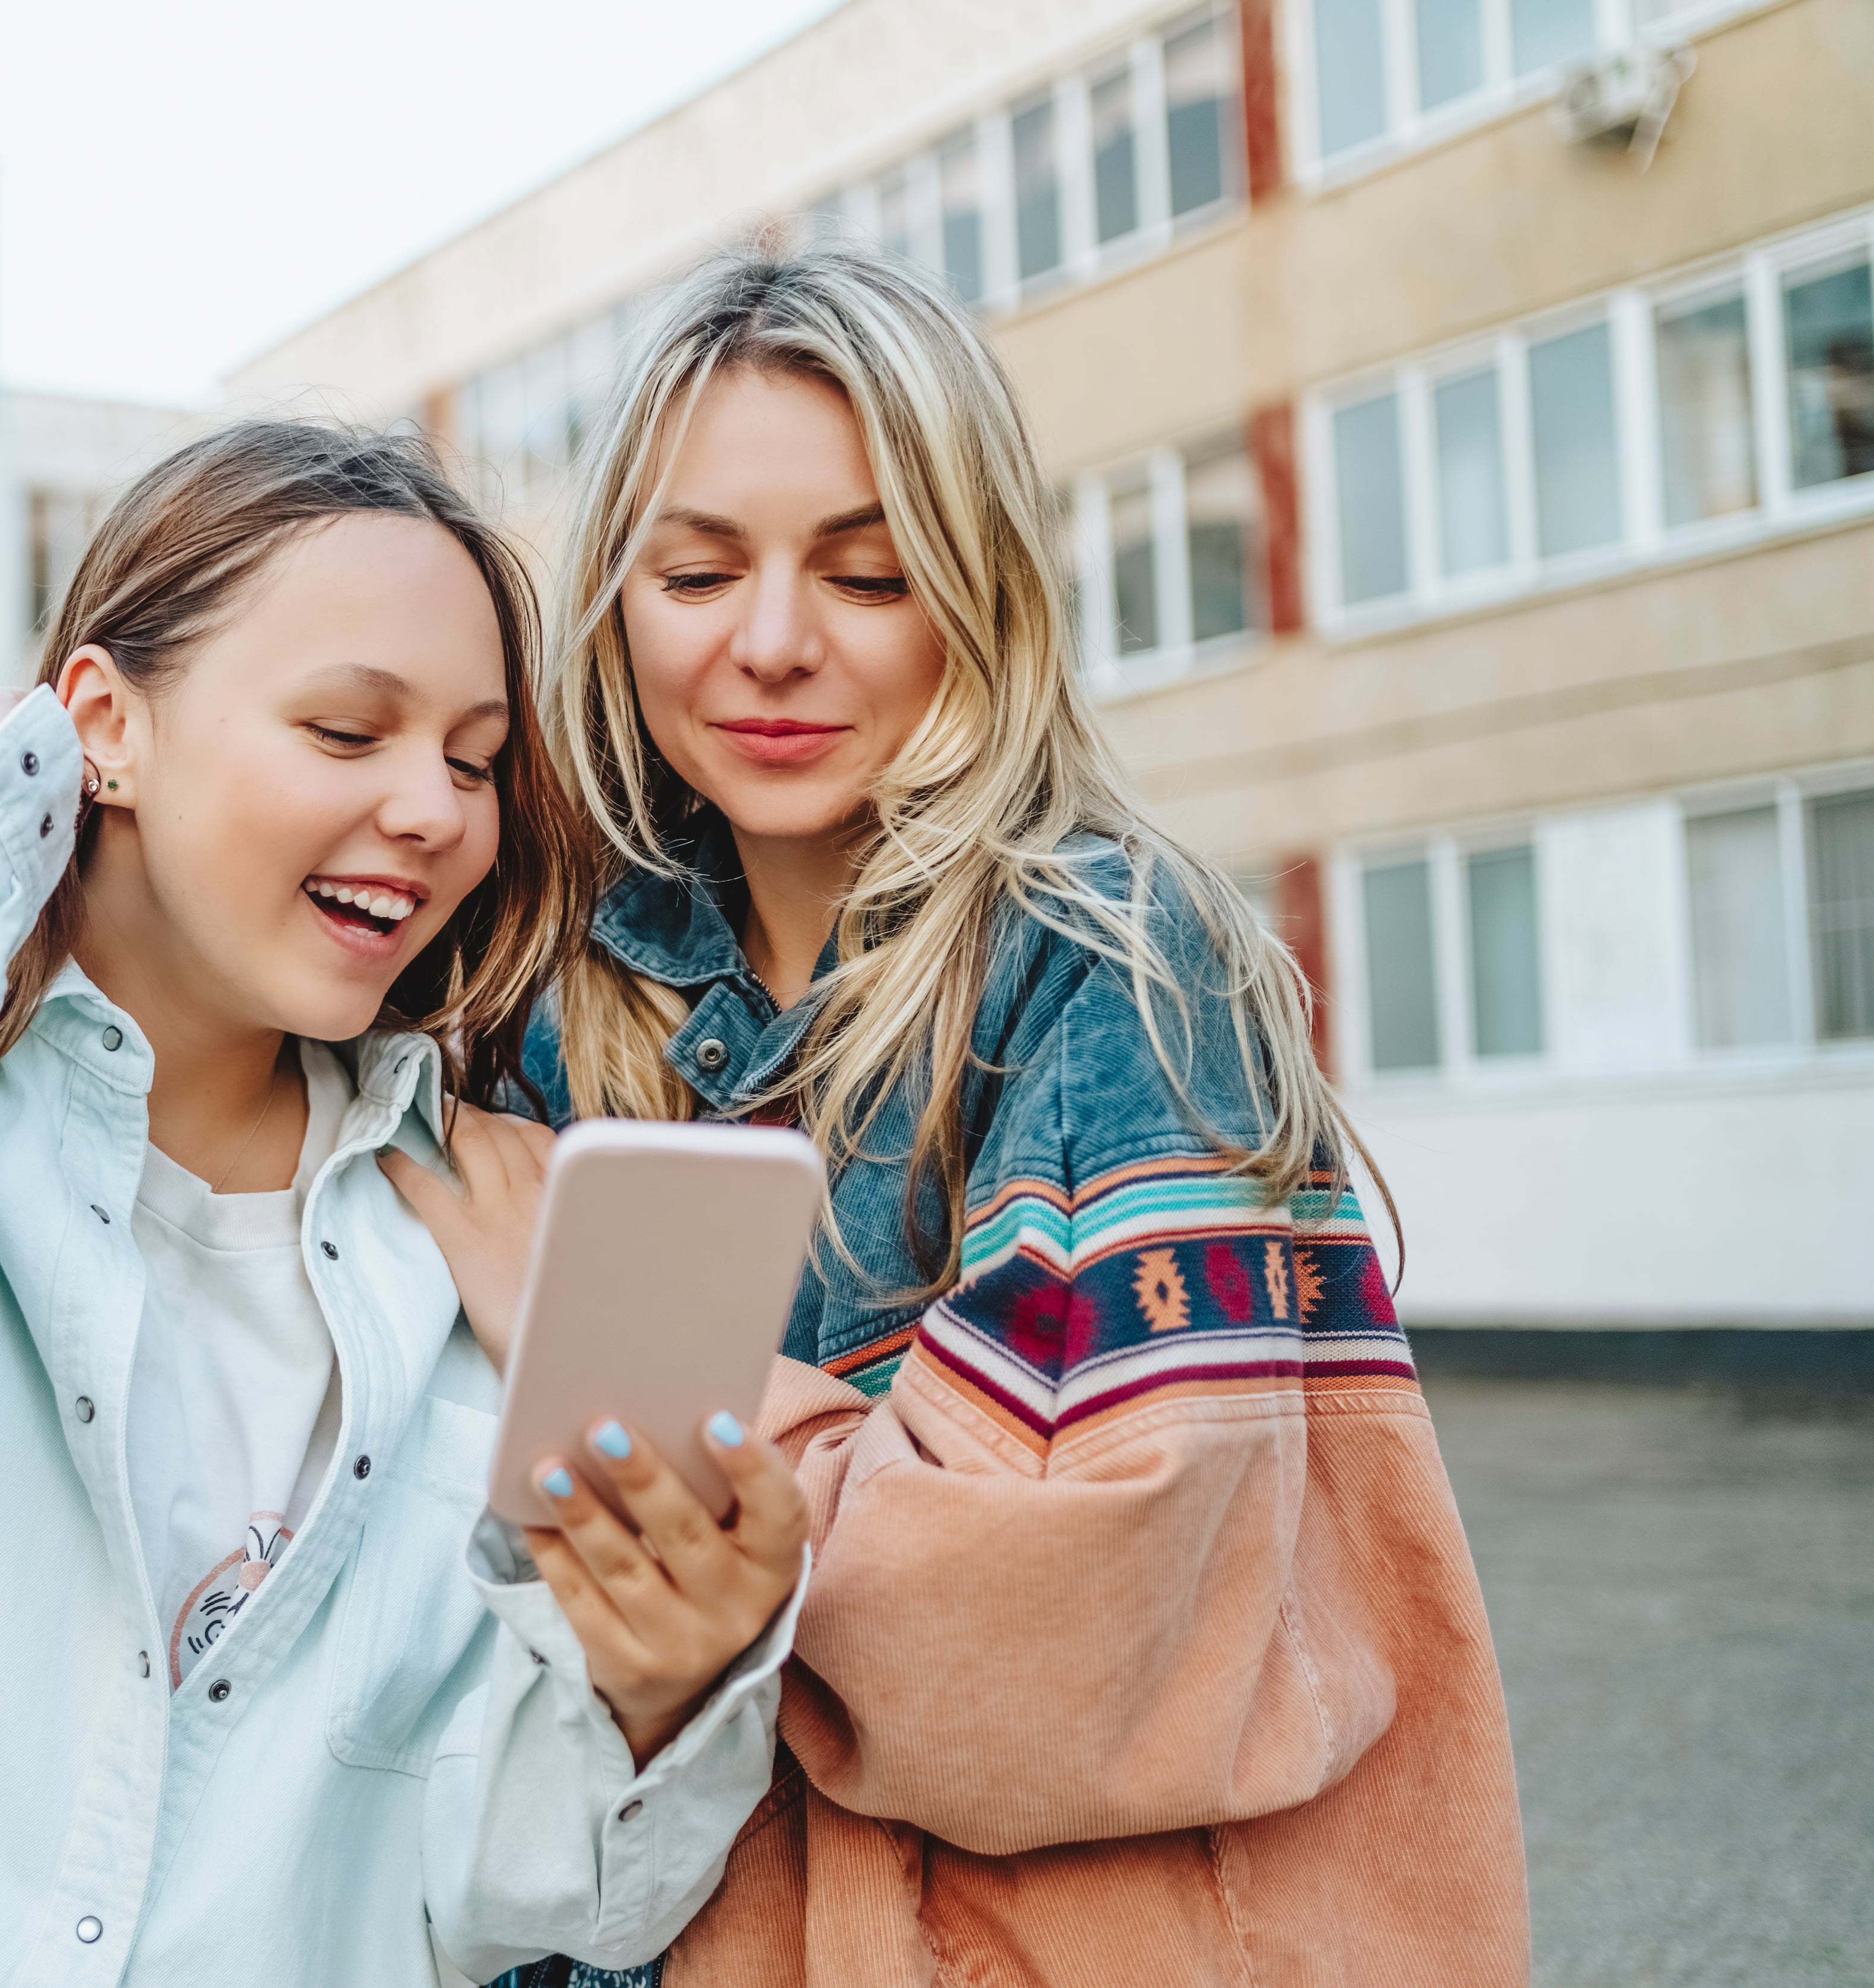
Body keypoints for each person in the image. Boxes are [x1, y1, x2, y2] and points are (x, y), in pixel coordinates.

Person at [0, 420, 812, 1987]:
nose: (434, 812)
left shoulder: (470, 1255)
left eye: (473, 759)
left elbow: (511, 1895)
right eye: (348, 730)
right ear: (103, 728)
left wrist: (662, 1688)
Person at [391, 249, 1530, 1986]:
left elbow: (1078, 1653)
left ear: (980, 582)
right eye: (694, 570)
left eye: (867, 570)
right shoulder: (537, 990)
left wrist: (609, 1360)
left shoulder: (1114, 962)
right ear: (612, 596)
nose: (771, 643)